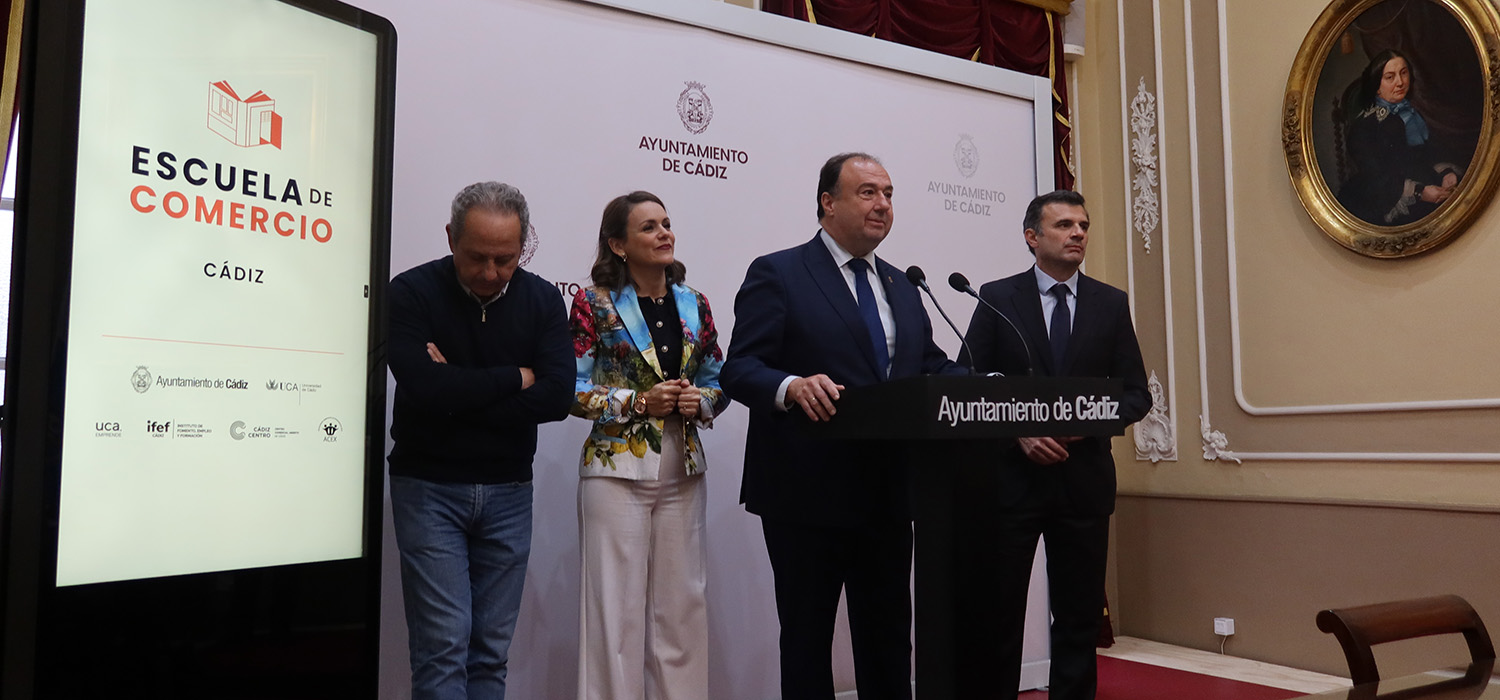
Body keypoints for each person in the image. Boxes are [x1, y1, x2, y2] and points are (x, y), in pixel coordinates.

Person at [721, 152, 966, 700]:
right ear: (828, 203)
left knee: (887, 640)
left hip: (888, 492)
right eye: (868, 192)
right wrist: (790, 387)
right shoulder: (779, 272)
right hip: (806, 493)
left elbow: (925, 365)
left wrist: (983, 382)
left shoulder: (904, 285)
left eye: (889, 193)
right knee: (807, 643)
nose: (882, 204)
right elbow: (740, 368)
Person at [958, 190, 1150, 700]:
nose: (1078, 234)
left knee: (1078, 620)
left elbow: (1136, 395)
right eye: (1064, 225)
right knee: (999, 618)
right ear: (1032, 237)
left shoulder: (1110, 303)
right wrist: (1017, 428)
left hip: (1082, 482)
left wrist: (1084, 423)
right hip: (1010, 485)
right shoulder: (996, 299)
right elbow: (966, 379)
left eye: (1083, 225)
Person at [387, 181, 574, 700]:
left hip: (510, 489)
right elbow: (425, 388)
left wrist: (459, 389)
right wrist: (516, 377)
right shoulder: (411, 291)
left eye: (506, 259)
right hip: (428, 487)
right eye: (477, 258)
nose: (491, 273)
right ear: (450, 238)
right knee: (443, 648)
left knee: (490, 652)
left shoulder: (541, 298)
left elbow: (558, 397)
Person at [567, 191, 729, 700]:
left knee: (682, 611)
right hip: (615, 472)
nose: (665, 234)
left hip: (683, 471)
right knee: (613, 618)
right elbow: (570, 388)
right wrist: (638, 403)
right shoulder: (593, 302)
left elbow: (720, 378)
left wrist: (697, 401)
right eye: (649, 227)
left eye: (666, 224)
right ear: (618, 244)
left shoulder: (694, 301)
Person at [1337, 49, 1464, 226]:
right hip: (1386, 196)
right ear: (1377, 86)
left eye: (1403, 73)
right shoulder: (1365, 126)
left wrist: (1445, 172)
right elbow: (1375, 176)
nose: (1400, 82)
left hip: (1428, 183)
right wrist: (1419, 192)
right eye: (1390, 77)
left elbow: (1429, 153)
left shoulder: (1414, 115)